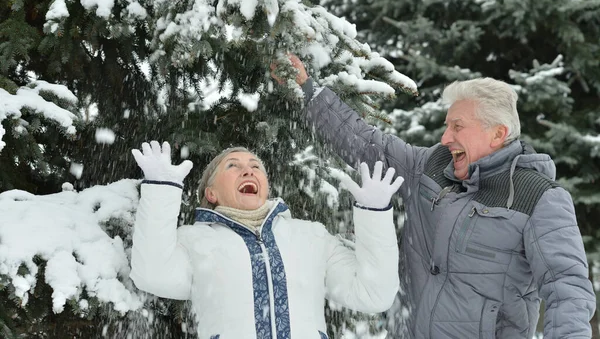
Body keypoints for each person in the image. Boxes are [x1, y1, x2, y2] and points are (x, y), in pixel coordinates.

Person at [273, 55, 596, 339]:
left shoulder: (536, 196)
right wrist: (307, 90)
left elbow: (566, 289)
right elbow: (364, 143)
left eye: (458, 126)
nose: (445, 137)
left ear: (497, 133)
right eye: (446, 126)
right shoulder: (430, 164)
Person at [129, 141, 404, 339]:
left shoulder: (311, 237)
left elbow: (373, 295)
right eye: (233, 166)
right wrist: (161, 190)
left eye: (255, 166)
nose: (248, 171)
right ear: (211, 193)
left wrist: (375, 214)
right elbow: (152, 274)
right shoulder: (194, 241)